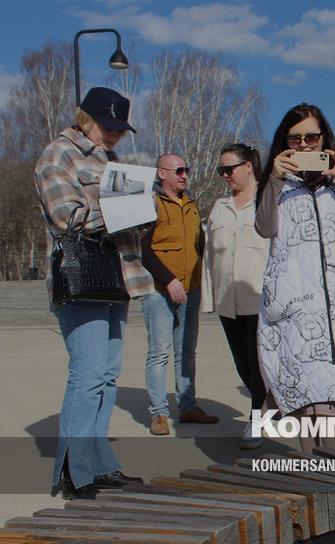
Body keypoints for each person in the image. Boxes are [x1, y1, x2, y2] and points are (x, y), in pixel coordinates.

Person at [36, 87, 149, 499]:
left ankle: (100, 466)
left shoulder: (111, 160)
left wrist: (144, 212)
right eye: (108, 125)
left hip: (117, 274)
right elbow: (66, 216)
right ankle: (75, 470)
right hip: (81, 274)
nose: (116, 133)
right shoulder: (58, 155)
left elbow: (122, 219)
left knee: (106, 376)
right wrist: (127, 209)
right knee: (87, 375)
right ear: (86, 119)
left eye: (121, 127)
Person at [255, 103, 335, 453]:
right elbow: (265, 227)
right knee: (305, 399)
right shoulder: (275, 182)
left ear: (324, 138)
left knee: (332, 399)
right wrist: (275, 179)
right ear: (284, 141)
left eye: (312, 137)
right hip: (294, 309)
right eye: (295, 139)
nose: (304, 145)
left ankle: (329, 472)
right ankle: (318, 472)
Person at [141, 153, 219, 436]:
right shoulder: (150, 202)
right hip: (159, 290)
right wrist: (168, 279)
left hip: (191, 288)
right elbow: (142, 248)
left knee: (187, 351)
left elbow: (200, 245)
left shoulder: (191, 204)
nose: (185, 175)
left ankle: (188, 407)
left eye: (187, 170)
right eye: (179, 170)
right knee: (159, 352)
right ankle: (159, 414)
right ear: (162, 173)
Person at [201, 143, 269, 449]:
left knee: (259, 365)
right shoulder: (220, 206)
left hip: (261, 300)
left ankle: (257, 421)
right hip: (228, 301)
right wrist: (209, 298)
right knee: (243, 364)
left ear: (248, 166)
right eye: (221, 170)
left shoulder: (268, 200)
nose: (224, 175)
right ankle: (268, 408)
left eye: (229, 169)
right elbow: (209, 257)